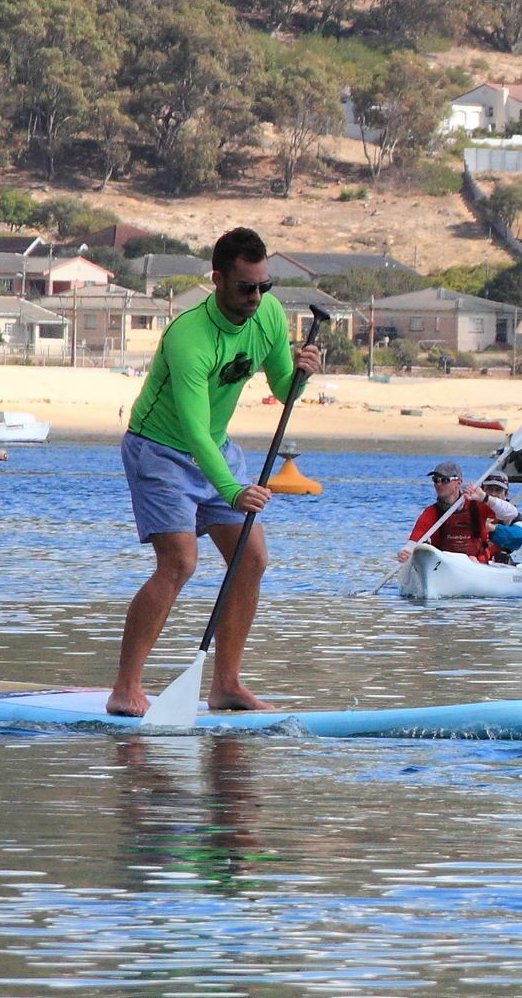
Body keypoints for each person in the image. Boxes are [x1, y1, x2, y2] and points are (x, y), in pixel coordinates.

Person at [110, 227, 320, 718]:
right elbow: (192, 428)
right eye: (246, 286)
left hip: (217, 448)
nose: (256, 296)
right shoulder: (188, 338)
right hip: (159, 450)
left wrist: (303, 376)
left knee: (251, 559)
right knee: (180, 562)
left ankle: (226, 686)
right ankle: (125, 688)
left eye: (264, 286)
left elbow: (284, 388)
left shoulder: (267, 315)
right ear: (218, 280)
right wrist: (232, 490)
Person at [397, 461, 498, 565]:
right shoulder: (430, 512)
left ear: (458, 482)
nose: (438, 484)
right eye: (435, 480)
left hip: (476, 563)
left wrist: (485, 498)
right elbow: (414, 541)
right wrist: (405, 552)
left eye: (444, 480)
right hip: (444, 565)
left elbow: (510, 514)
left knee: (472, 559)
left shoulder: (477, 505)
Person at [481, 473, 522, 564]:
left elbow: (519, 536)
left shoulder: (511, 514)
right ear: (482, 491)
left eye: (498, 490)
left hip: (497, 560)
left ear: (506, 494)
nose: (493, 494)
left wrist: (493, 528)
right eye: (489, 489)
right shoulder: (470, 507)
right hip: (472, 556)